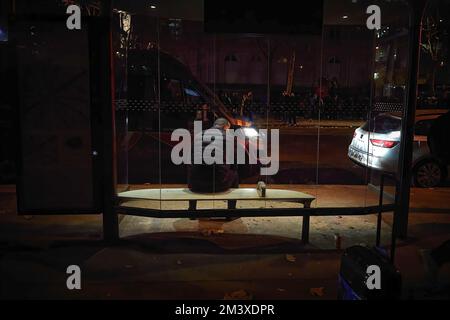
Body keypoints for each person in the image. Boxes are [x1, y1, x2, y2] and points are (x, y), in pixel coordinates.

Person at [188, 118, 240, 210]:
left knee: (194, 170)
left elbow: (190, 158)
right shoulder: (229, 137)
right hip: (219, 184)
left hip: (196, 184)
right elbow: (234, 163)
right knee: (235, 173)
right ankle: (231, 211)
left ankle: (192, 210)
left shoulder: (199, 135)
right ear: (226, 127)